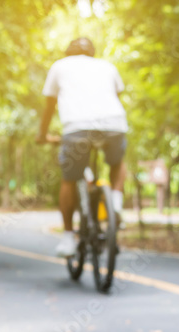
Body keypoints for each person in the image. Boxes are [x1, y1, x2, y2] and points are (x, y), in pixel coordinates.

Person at [37, 37, 128, 258]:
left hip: (77, 129)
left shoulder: (59, 66)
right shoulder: (107, 66)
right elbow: (117, 95)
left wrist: (42, 135)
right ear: (92, 52)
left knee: (69, 179)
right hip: (114, 125)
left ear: (69, 51)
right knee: (117, 163)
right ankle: (115, 201)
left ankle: (68, 238)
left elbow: (50, 106)